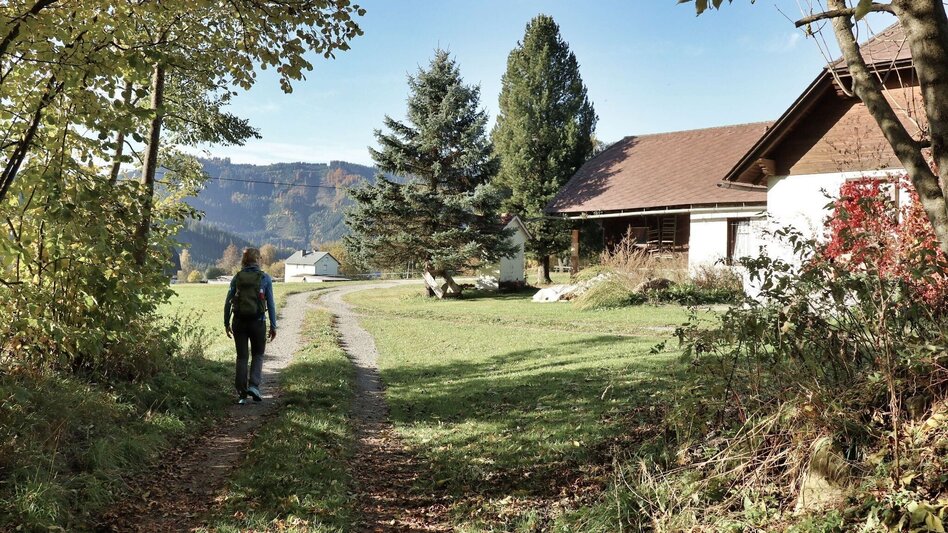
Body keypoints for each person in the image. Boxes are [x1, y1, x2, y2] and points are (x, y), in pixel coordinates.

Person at [224, 247, 277, 404]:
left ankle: (241, 393)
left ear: (244, 260)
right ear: (258, 260)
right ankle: (253, 386)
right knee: (258, 354)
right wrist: (273, 326)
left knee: (242, 357)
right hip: (258, 322)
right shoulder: (265, 278)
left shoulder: (237, 277)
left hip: (239, 322)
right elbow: (271, 304)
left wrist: (226, 322)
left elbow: (228, 302)